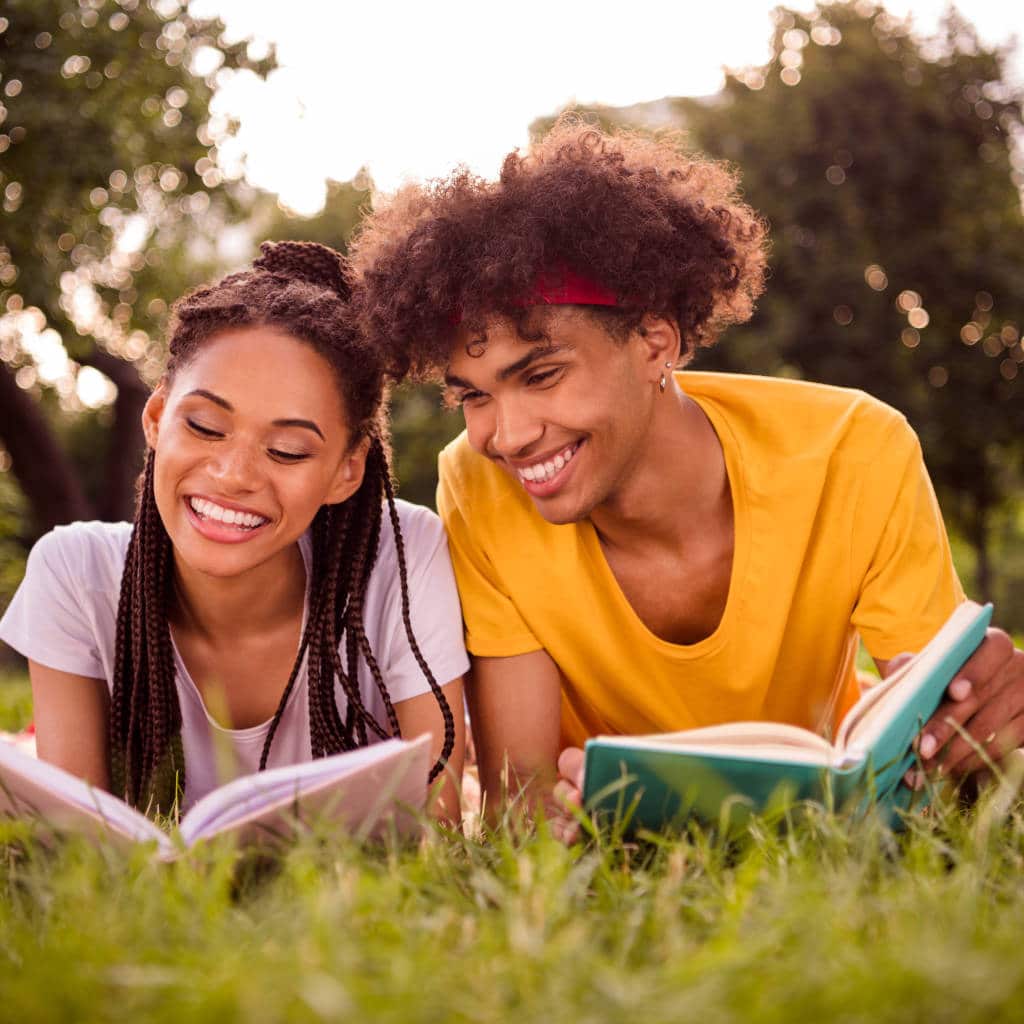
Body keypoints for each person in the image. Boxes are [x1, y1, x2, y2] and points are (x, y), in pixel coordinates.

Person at [350, 118, 1024, 837]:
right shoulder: (477, 483)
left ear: (655, 342)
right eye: (473, 395)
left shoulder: (852, 448)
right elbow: (524, 793)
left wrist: (985, 718)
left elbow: (940, 733)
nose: (506, 436)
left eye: (542, 374)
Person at [0, 241, 467, 820]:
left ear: (347, 470)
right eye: (204, 426)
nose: (234, 476)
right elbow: (76, 849)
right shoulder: (75, 574)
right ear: (156, 419)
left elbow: (436, 831)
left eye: (288, 450)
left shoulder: (401, 556)